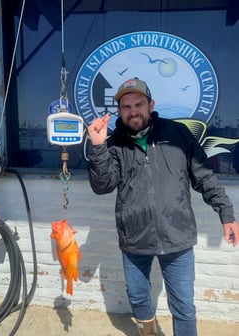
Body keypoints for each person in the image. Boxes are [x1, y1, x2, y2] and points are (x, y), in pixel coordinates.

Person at [87, 78, 239, 336]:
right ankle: (147, 331)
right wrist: (98, 146)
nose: (133, 111)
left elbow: (203, 177)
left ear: (151, 104)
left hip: (177, 236)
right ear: (119, 111)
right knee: (137, 297)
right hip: (134, 238)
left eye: (138, 104)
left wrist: (226, 214)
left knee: (183, 307)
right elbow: (103, 185)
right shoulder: (114, 143)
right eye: (126, 106)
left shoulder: (176, 134)